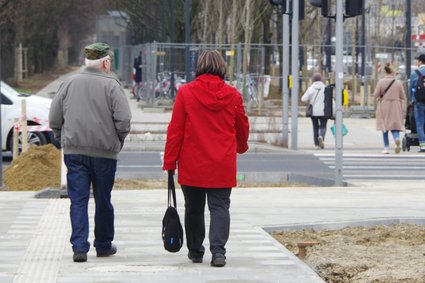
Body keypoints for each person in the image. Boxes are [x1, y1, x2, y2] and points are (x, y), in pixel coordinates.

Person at [162, 50, 249, 267]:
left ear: (199, 66)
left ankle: (195, 250)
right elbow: (242, 126)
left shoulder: (186, 93)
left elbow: (176, 131)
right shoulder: (233, 95)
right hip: (222, 163)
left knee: (193, 207)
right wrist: (240, 146)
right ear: (222, 67)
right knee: (220, 207)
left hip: (193, 162)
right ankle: (218, 252)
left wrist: (170, 162)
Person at [49, 42, 132, 262]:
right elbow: (123, 120)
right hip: (105, 154)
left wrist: (62, 138)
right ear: (105, 62)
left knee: (78, 200)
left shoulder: (69, 82)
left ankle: (79, 247)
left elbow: (55, 117)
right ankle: (103, 245)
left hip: (75, 153)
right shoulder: (112, 85)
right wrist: (117, 141)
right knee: (104, 200)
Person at [373, 63, 406, 154]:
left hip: (384, 105)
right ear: (392, 72)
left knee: (385, 127)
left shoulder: (381, 82)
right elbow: (403, 96)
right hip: (396, 106)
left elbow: (375, 95)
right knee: (395, 126)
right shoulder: (398, 82)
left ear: (385, 72)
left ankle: (386, 148)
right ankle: (396, 139)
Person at [301, 73, 329, 149]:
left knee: (315, 127)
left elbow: (303, 99)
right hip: (324, 111)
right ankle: (321, 136)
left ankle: (316, 144)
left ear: (313, 80)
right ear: (321, 80)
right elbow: (330, 100)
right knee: (323, 126)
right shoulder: (326, 88)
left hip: (313, 112)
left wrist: (309, 101)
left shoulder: (310, 89)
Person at [409, 54, 425, 152]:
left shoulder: (415, 73)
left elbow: (410, 89)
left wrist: (412, 100)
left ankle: (423, 145)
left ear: (420, 62)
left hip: (418, 102)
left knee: (419, 124)